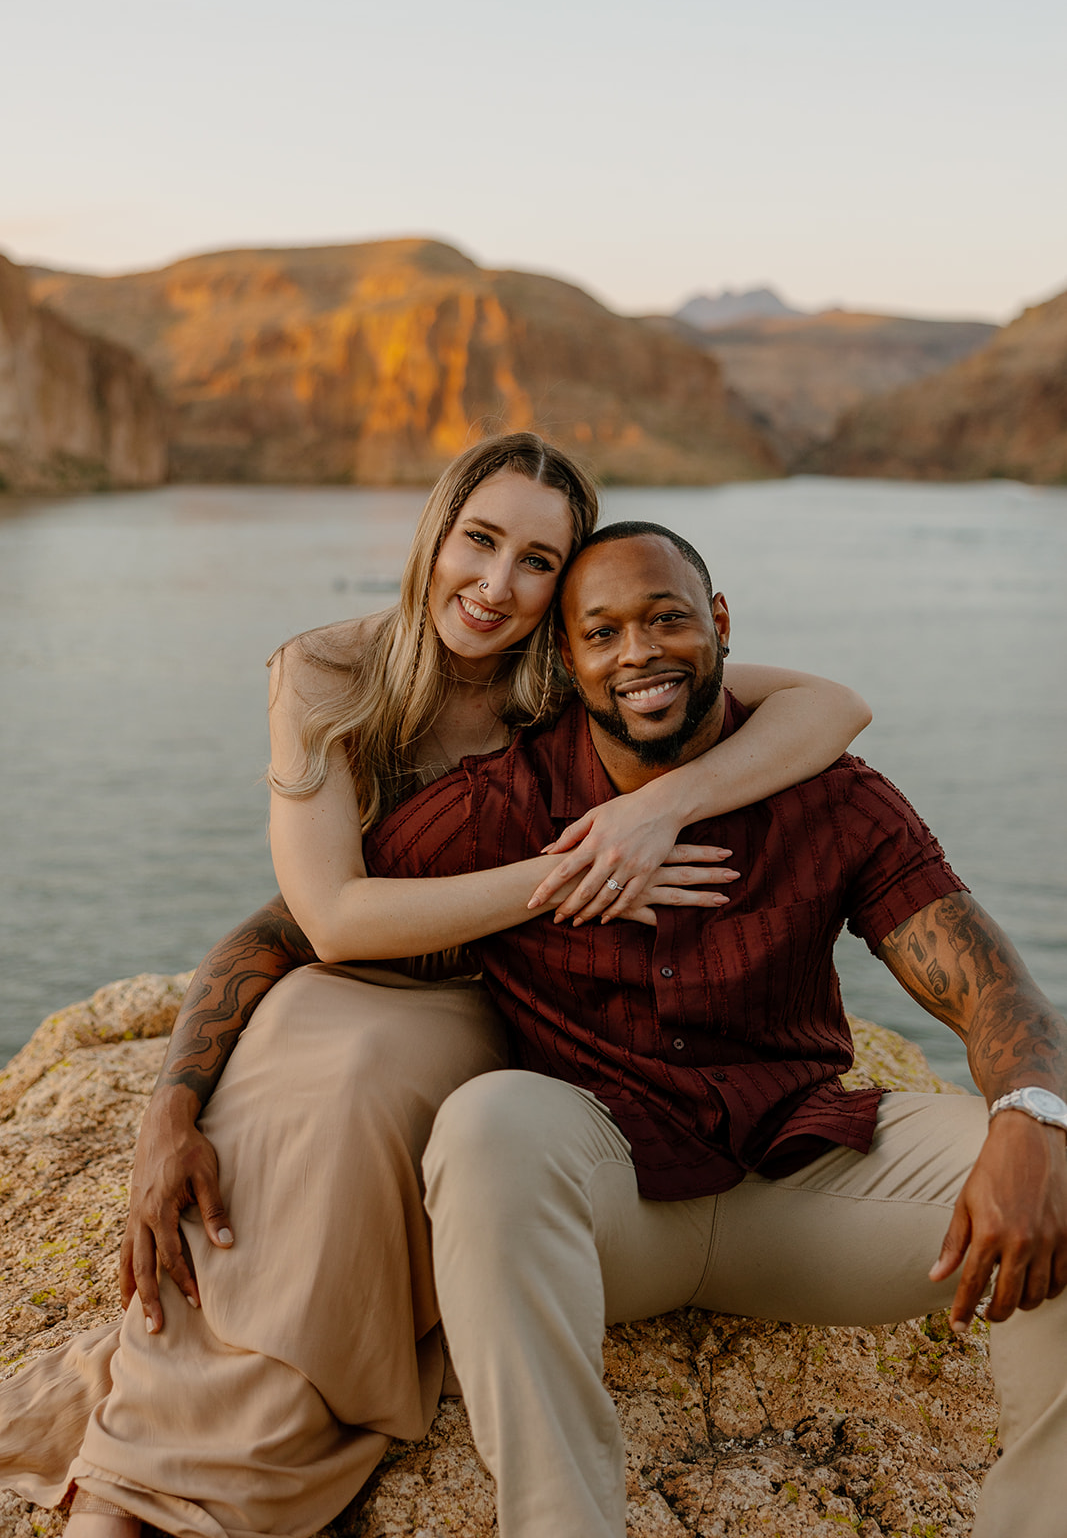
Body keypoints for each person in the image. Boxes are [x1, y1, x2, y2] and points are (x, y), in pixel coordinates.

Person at [0, 436, 870, 1538]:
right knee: (275, 1133)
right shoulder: (323, 672)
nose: (497, 586)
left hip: (496, 1002)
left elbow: (830, 707)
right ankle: (161, 1438)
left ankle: (158, 1476)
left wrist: (655, 808)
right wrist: (169, 1104)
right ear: (436, 530)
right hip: (338, 981)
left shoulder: (568, 672)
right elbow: (327, 917)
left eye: (539, 562)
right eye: (481, 540)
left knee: (366, 1089)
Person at [361, 521, 1067, 1538]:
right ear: (566, 662)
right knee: (485, 1126)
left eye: (664, 619)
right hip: (607, 1205)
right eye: (601, 633)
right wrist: (175, 1102)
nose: (637, 651)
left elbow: (989, 984)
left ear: (718, 624)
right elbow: (302, 923)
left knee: (1056, 1161)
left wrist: (1028, 1118)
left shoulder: (829, 793)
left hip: (806, 1185)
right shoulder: (500, 806)